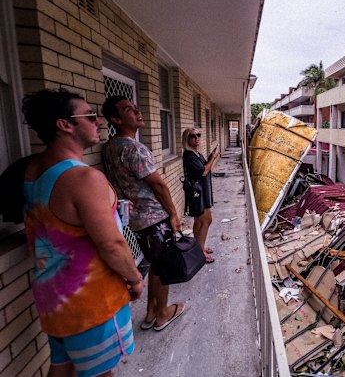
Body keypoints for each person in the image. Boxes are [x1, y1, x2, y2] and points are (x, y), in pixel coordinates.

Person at [21, 89, 144, 377]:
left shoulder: (31, 171)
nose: (98, 121)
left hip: (53, 298)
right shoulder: (83, 178)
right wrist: (135, 278)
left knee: (61, 368)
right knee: (101, 373)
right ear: (65, 125)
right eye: (89, 116)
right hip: (91, 303)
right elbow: (112, 244)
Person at [102, 96, 185, 332]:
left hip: (135, 220)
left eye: (136, 107)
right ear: (116, 119)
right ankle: (162, 314)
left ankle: (150, 313)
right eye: (129, 110)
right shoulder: (133, 148)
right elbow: (158, 184)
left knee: (155, 266)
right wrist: (174, 214)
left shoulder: (110, 147)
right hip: (154, 219)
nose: (138, 112)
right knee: (164, 268)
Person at [181, 128, 220, 263]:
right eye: (193, 136)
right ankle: (201, 252)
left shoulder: (196, 153)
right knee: (206, 220)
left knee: (199, 221)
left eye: (198, 135)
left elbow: (205, 167)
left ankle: (198, 247)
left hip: (202, 191)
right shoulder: (189, 155)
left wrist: (210, 158)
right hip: (198, 193)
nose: (196, 138)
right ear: (187, 139)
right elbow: (203, 171)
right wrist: (213, 159)